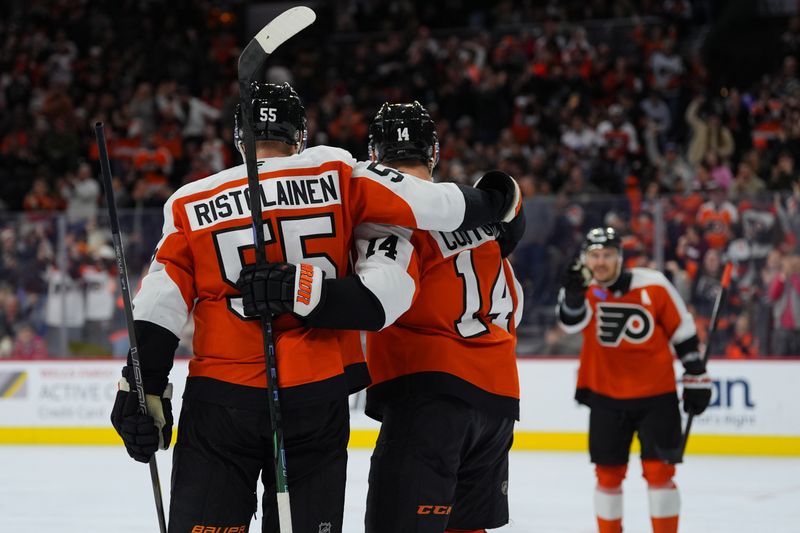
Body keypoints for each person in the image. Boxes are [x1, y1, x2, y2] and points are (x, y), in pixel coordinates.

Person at [109, 83, 521, 533]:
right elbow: (423, 219)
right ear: (299, 136)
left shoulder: (189, 201)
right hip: (316, 392)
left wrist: (141, 386)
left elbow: (158, 303)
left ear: (237, 137)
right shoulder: (336, 171)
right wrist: (499, 201)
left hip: (221, 399)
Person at [237, 101, 525, 533]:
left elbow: (380, 298)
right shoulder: (483, 224)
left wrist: (291, 287)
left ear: (374, 156)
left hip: (430, 391)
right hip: (498, 402)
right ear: (433, 153)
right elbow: (515, 303)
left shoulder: (391, 217)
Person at [557, 227, 713, 533]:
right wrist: (574, 296)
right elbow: (571, 323)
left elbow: (683, 332)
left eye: (607, 255)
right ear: (584, 258)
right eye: (594, 256)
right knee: (607, 475)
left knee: (660, 474)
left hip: (656, 395)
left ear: (620, 257)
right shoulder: (580, 285)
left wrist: (696, 375)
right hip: (605, 395)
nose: (600, 263)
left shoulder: (653, 285)